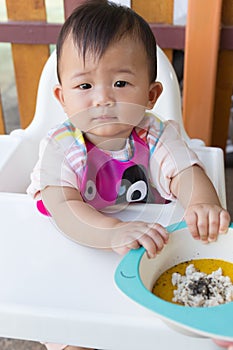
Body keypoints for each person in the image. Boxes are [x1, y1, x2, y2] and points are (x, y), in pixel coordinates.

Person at [27, 1, 231, 349]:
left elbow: (185, 171)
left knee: (172, 332)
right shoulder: (62, 145)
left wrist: (202, 205)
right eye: (85, 87)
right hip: (76, 257)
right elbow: (63, 207)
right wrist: (112, 232)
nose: (103, 99)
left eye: (121, 82)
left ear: (151, 95)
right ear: (62, 98)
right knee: (72, 333)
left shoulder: (154, 135)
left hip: (144, 259)